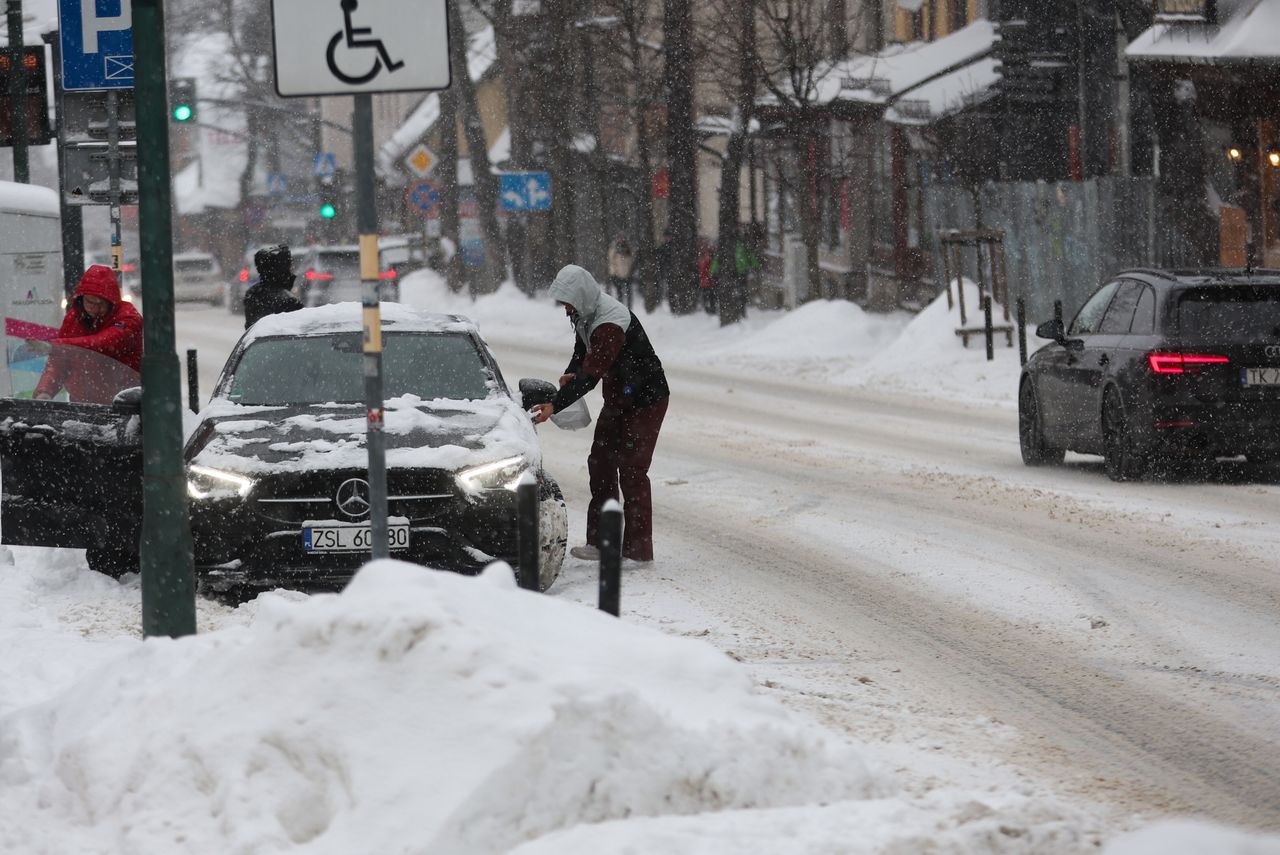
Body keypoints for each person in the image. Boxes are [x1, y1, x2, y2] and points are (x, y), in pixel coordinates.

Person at [530, 264, 669, 564]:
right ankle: (602, 542)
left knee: (632, 471)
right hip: (620, 398)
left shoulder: (609, 323)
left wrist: (556, 404)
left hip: (646, 400)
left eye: (567, 302)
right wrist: (570, 373)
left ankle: (638, 552)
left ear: (580, 296)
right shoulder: (586, 314)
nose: (565, 309)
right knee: (601, 462)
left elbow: (592, 373)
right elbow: (582, 355)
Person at [29, 264, 143, 404]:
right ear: (81, 298)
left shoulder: (128, 318)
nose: (94, 308)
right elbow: (60, 362)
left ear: (111, 302)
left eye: (100, 303)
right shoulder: (74, 318)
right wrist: (45, 391)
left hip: (122, 405)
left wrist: (54, 346)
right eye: (89, 302)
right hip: (81, 406)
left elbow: (103, 344)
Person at [244, 244, 303, 328]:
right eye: (289, 268)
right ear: (282, 271)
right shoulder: (289, 302)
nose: (292, 272)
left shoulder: (252, 294)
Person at [606, 235, 635, 310]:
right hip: (617, 275)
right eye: (619, 238)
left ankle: (629, 309)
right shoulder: (614, 249)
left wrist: (631, 272)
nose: (621, 240)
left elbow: (632, 261)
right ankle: (621, 309)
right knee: (620, 294)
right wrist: (613, 274)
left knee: (628, 294)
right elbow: (612, 262)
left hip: (627, 274)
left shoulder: (628, 249)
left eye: (622, 238)